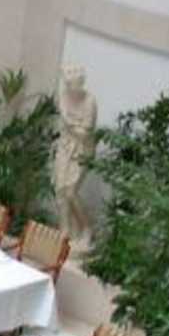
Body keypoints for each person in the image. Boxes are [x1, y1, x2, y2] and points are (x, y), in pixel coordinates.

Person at [54, 63, 97, 245]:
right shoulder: (63, 96)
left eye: (73, 83)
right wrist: (72, 124)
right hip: (65, 147)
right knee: (60, 191)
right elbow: (66, 123)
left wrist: (70, 123)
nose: (70, 87)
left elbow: (84, 134)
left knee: (71, 192)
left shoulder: (90, 101)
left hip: (82, 151)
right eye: (68, 83)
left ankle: (87, 227)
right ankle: (65, 230)